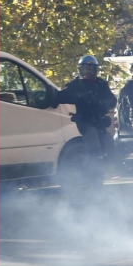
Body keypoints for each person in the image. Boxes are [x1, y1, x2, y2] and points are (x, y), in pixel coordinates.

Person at [56, 55, 118, 183]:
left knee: (109, 144)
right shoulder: (75, 84)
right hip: (85, 120)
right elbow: (59, 97)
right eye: (85, 69)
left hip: (99, 120)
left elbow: (112, 100)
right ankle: (92, 175)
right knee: (94, 148)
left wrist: (101, 103)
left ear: (95, 70)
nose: (87, 73)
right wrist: (80, 97)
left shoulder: (101, 84)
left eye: (90, 70)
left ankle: (106, 171)